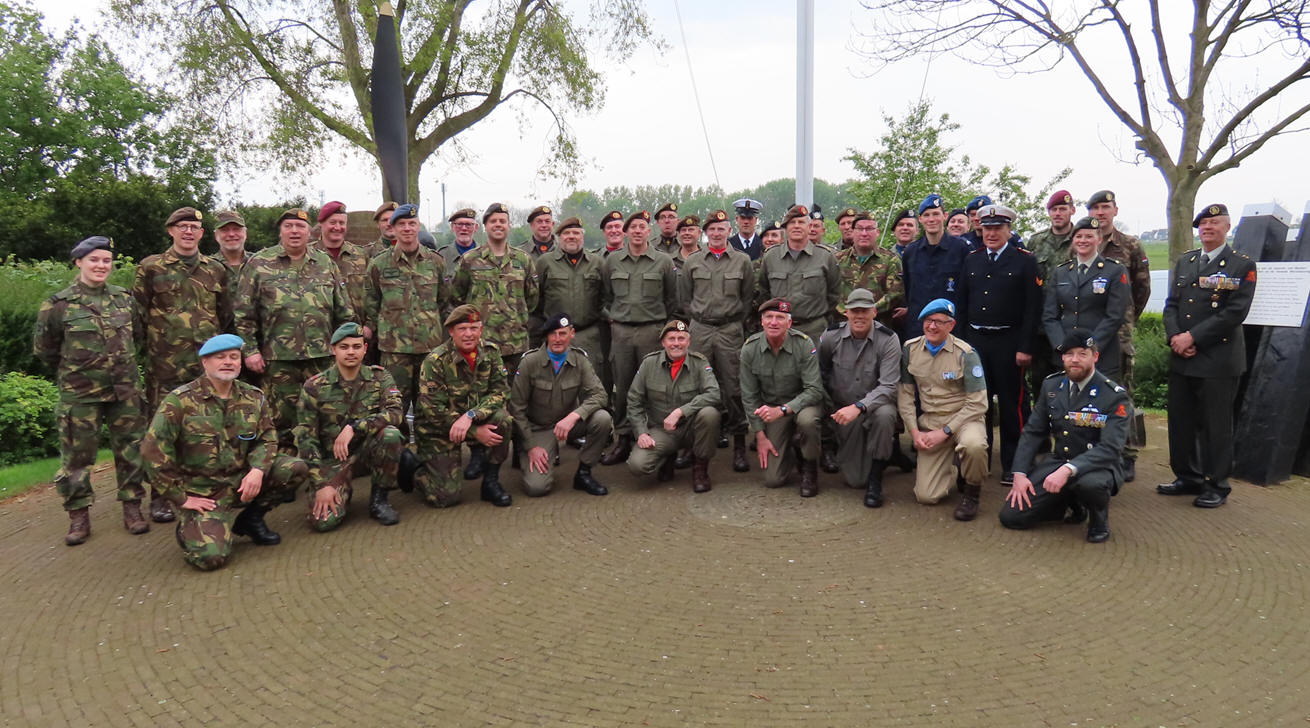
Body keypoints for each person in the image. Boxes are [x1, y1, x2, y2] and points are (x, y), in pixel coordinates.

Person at [142, 334, 307, 569]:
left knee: (294, 468)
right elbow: (152, 451)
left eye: (234, 357)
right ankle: (190, 527)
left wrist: (258, 470)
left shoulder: (253, 397)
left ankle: (251, 519)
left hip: (241, 482)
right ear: (204, 362)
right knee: (211, 558)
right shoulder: (179, 402)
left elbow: (267, 438)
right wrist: (180, 497)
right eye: (220, 357)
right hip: (204, 494)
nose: (228, 362)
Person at [34, 236, 151, 545]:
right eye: (94, 260)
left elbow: (137, 336)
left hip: (124, 389)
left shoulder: (124, 299)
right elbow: (46, 350)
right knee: (77, 457)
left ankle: (133, 508)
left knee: (131, 450)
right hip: (80, 393)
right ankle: (78, 516)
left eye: (106, 261)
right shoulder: (58, 304)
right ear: (79, 262)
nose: (101, 266)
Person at [133, 208, 233, 523]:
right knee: (162, 432)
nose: (188, 231)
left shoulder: (215, 270)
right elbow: (137, 316)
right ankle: (161, 496)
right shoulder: (151, 268)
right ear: (171, 231)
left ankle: (204, 488)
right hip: (165, 368)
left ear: (203, 234)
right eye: (182, 226)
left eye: (194, 227)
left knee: (207, 428)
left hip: (206, 367)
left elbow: (226, 316)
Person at [1158, 203, 1257, 509]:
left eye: (1215, 223)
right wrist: (1175, 337)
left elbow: (1235, 312)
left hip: (1218, 357)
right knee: (1182, 420)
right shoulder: (1186, 261)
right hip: (1182, 355)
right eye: (1203, 224)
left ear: (1228, 228)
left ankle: (1216, 483)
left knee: (1216, 425)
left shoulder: (1242, 264)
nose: (1207, 228)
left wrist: (1193, 337)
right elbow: (1171, 304)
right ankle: (1187, 476)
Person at [235, 208, 355, 447]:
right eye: (288, 226)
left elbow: (344, 311)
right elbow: (243, 313)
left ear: (310, 232)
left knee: (326, 416)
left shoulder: (324, 263)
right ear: (280, 232)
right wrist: (250, 351)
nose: (294, 231)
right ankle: (287, 473)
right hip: (278, 360)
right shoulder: (259, 264)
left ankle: (326, 468)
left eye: (300, 227)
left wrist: (345, 348)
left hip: (321, 357)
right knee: (280, 422)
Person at [1000, 331, 1130, 542]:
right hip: (1059, 460)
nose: (1075, 360)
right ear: (1062, 358)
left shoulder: (1113, 395)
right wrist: (1020, 473)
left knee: (1090, 485)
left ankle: (1098, 520)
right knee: (1011, 517)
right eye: (1069, 354)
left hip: (1097, 467)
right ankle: (1069, 503)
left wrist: (1067, 470)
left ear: (1095, 356)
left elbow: (1110, 448)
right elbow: (1033, 431)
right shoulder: (1052, 385)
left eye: (1082, 354)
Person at [956, 204, 1041, 484]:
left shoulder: (1025, 261)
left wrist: (1026, 347)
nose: (991, 233)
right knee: (978, 402)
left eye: (998, 228)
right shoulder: (972, 260)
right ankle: (981, 459)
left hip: (1009, 341)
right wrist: (963, 346)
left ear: (1008, 230)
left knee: (1011, 404)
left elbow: (1033, 309)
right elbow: (963, 304)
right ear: (980, 230)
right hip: (976, 341)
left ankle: (1013, 462)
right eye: (987, 228)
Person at [293, 323, 405, 530]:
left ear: (365, 349)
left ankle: (379, 499)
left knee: (390, 435)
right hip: (333, 459)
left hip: (369, 451)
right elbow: (305, 437)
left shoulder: (380, 377)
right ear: (333, 349)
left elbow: (396, 412)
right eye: (344, 347)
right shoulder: (314, 386)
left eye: (356, 346)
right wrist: (321, 483)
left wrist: (356, 426)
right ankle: (342, 487)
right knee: (324, 523)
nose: (351, 352)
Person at [597, 210, 679, 466]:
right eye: (632, 227)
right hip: (621, 332)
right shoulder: (612, 261)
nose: (637, 231)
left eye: (642, 226)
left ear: (649, 230)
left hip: (652, 331)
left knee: (655, 387)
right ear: (625, 232)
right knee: (622, 387)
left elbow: (672, 298)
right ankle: (623, 438)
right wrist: (613, 316)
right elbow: (604, 296)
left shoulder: (663, 261)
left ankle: (658, 436)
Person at [413, 305, 515, 508]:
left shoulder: (490, 353)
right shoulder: (435, 361)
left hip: (470, 419)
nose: (469, 334)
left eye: (474, 328)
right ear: (451, 331)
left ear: (481, 330)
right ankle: (416, 469)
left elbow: (501, 392)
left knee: (503, 419)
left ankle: (491, 481)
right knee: (445, 498)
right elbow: (433, 410)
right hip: (438, 429)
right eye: (462, 329)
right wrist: (475, 432)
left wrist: (470, 416)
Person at [897, 299, 989, 520]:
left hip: (965, 419)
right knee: (926, 496)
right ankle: (954, 468)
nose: (932, 326)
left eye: (939, 322)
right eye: (928, 321)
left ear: (951, 325)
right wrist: (914, 431)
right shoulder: (910, 349)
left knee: (974, 445)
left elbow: (978, 403)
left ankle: (971, 492)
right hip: (931, 421)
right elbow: (905, 395)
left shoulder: (966, 354)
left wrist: (946, 432)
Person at [679, 209, 755, 472]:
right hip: (700, 329)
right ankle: (692, 446)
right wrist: (700, 320)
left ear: (729, 231)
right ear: (705, 233)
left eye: (721, 228)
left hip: (730, 330)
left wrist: (732, 320)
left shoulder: (742, 261)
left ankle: (739, 446)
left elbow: (747, 299)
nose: (716, 233)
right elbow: (685, 299)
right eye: (711, 229)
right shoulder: (693, 262)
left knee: (733, 388)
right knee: (694, 386)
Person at [508, 314, 612, 497]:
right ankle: (527, 452)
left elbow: (600, 394)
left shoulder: (579, 359)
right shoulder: (529, 362)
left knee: (602, 419)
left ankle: (584, 473)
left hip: (567, 424)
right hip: (537, 428)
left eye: (562, 333)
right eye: (553, 334)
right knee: (537, 488)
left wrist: (575, 416)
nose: (557, 339)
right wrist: (531, 446)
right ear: (546, 336)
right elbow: (517, 408)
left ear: (572, 333)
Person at [1088, 189, 1151, 480]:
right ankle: (1093, 448)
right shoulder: (1083, 241)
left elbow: (1142, 289)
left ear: (1115, 210)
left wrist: (1126, 320)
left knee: (1122, 392)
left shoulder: (1130, 245)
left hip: (1119, 335)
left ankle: (1127, 454)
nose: (1100, 213)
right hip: (1087, 332)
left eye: (1105, 207)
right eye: (1095, 209)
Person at [364, 203, 450, 417]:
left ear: (418, 226)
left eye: (412, 223)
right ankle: (397, 448)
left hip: (429, 348)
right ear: (393, 228)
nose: (407, 228)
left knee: (429, 406)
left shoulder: (435, 262)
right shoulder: (379, 265)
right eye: (401, 224)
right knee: (394, 407)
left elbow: (444, 302)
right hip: (394, 351)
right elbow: (372, 304)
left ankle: (427, 449)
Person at [819, 289, 901, 507]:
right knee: (855, 481)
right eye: (855, 311)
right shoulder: (831, 336)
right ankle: (888, 454)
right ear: (846, 313)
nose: (859, 316)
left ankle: (876, 480)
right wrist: (831, 411)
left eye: (865, 310)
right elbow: (821, 375)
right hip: (843, 411)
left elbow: (889, 386)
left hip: (874, 408)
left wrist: (859, 406)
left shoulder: (889, 339)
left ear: (874, 312)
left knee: (885, 415)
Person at [740, 298, 826, 496]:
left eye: (780, 317)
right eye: (768, 317)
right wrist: (760, 435)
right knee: (773, 480)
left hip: (803, 404)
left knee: (807, 421)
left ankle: (810, 468)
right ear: (761, 322)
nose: (773, 322)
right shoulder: (750, 348)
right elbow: (749, 396)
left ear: (789, 323)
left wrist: (783, 410)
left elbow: (814, 389)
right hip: (772, 409)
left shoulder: (803, 344)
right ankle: (791, 452)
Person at [626, 320, 721, 492]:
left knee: (710, 414)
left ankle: (700, 469)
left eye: (681, 338)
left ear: (688, 341)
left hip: (692, 428)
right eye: (671, 339)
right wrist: (641, 432)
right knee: (637, 465)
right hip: (662, 430)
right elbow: (634, 400)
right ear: (663, 342)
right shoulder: (649, 364)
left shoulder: (699, 362)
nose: (676, 343)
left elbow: (714, 394)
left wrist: (681, 411)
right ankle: (667, 457)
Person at [452, 202, 540, 373]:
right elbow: (456, 297)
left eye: (502, 221)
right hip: (481, 343)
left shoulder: (523, 260)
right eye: (493, 221)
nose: (498, 224)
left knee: (516, 395)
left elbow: (532, 299)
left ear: (509, 226)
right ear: (485, 226)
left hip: (516, 344)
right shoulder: (470, 260)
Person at [1042, 216, 1129, 381]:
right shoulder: (1061, 272)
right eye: (1079, 236)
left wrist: (1090, 349)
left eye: (1089, 236)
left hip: (1101, 355)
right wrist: (1063, 347)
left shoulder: (1114, 271)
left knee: (1101, 404)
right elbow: (1049, 316)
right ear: (1073, 240)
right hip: (1066, 357)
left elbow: (1115, 316)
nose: (1083, 240)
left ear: (1099, 239)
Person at [534, 216, 608, 386]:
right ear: (559, 237)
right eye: (567, 233)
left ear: (582, 236)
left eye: (576, 233)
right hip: (555, 335)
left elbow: (606, 295)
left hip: (588, 334)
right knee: (553, 381)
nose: (572, 236)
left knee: (591, 381)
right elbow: (536, 297)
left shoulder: (597, 262)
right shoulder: (545, 262)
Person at [755, 204, 841, 344]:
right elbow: (764, 292)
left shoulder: (825, 256)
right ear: (785, 228)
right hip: (780, 329)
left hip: (815, 329)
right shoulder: (771, 257)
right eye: (792, 223)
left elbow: (834, 294)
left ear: (809, 227)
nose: (796, 226)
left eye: (801, 222)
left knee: (815, 366)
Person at [1027, 190, 1078, 396]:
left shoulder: (1082, 238)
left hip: (1070, 325)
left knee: (1071, 382)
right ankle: (1042, 427)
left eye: (1063, 209)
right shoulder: (1036, 242)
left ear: (1072, 211)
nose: (1058, 213)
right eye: (1054, 209)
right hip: (1040, 327)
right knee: (1040, 383)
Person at [900, 194, 970, 339]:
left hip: (951, 330)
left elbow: (967, 291)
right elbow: (908, 291)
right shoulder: (910, 252)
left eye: (936, 214)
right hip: (918, 329)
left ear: (944, 216)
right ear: (920, 219)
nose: (931, 219)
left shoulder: (961, 249)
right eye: (926, 215)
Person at [313, 201, 373, 341]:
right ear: (322, 224)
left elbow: (373, 293)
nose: (337, 227)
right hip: (321, 337)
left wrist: (370, 325)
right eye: (332, 222)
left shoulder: (361, 255)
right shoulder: (310, 255)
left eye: (342, 223)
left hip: (357, 335)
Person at [834, 211, 904, 329]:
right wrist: (846, 311)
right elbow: (830, 291)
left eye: (869, 229)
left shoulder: (891, 260)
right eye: (860, 229)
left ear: (877, 233)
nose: (864, 233)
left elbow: (895, 294)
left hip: (878, 326)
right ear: (853, 232)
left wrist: (869, 311)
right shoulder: (838, 259)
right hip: (843, 325)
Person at [210, 209, 254, 284]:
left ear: (245, 233)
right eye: (224, 230)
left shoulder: (260, 263)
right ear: (216, 235)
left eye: (236, 229)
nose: (231, 234)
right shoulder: (206, 267)